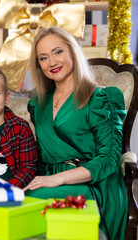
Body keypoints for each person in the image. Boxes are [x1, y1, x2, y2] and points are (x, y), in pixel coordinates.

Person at [23, 26, 127, 240]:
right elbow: (39, 156)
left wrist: (58, 179)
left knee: (29, 201)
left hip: (93, 184)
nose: (52, 62)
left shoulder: (100, 99)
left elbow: (108, 159)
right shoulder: (38, 104)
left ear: (72, 52)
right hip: (48, 179)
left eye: (57, 52)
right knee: (10, 201)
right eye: (43, 57)